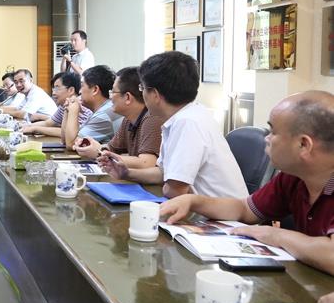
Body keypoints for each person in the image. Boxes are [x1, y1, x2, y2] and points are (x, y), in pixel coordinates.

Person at [160, 90, 334, 274]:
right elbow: (245, 209)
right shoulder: (293, 178)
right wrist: (194, 201)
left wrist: (276, 235)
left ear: (304, 145)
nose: (267, 139)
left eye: (273, 132)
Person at [100, 51, 247, 199]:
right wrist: (126, 173)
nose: (142, 94)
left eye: (142, 88)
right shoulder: (184, 116)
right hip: (200, 208)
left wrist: (166, 185)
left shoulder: (187, 123)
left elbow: (175, 190)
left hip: (218, 213)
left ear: (155, 94)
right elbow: (163, 173)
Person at [74, 66, 161, 169]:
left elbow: (147, 163)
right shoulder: (128, 120)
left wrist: (99, 153)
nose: (110, 97)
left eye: (113, 92)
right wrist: (93, 147)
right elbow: (111, 148)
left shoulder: (151, 118)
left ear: (127, 97)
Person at [61, 65, 122, 148]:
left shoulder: (105, 114)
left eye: (82, 86)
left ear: (95, 90)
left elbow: (72, 144)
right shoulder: (102, 109)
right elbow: (65, 140)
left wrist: (73, 111)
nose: (79, 91)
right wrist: (67, 110)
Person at [22, 72, 92, 138]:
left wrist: (35, 129)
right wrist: (26, 126)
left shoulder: (81, 106)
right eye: (53, 89)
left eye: (57, 88)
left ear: (71, 90)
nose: (53, 93)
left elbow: (70, 133)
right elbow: (48, 123)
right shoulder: (63, 105)